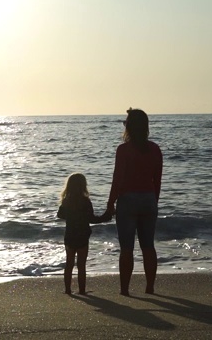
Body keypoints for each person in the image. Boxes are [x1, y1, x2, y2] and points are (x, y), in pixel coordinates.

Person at [107, 108, 163, 296]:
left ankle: (125, 289)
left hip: (128, 200)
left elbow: (118, 179)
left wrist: (110, 203)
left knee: (127, 248)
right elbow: (158, 180)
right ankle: (150, 286)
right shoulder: (154, 149)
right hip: (148, 199)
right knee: (148, 246)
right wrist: (154, 201)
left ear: (129, 127)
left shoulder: (123, 150)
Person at [57, 173, 112, 295]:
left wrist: (71, 216)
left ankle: (67, 290)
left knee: (69, 263)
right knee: (81, 265)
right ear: (83, 186)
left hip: (70, 235)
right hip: (82, 235)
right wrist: (106, 217)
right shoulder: (85, 201)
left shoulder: (67, 201)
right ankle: (82, 290)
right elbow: (92, 219)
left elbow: (59, 215)